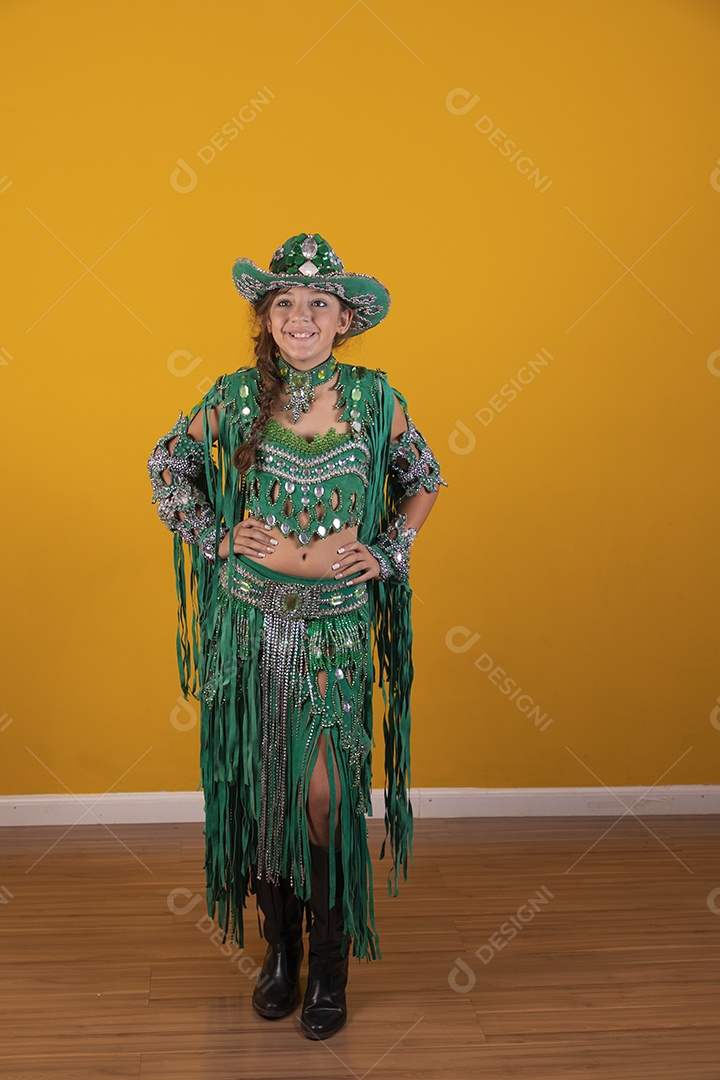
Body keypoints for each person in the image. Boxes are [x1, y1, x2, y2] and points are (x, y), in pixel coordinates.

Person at [147, 233, 446, 1039]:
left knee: (323, 797)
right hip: (251, 623)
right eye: (285, 302)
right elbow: (166, 464)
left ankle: (331, 965)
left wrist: (386, 554)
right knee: (261, 793)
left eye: (319, 304)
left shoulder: (377, 398)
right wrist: (214, 539)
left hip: (336, 633)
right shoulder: (238, 397)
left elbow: (424, 478)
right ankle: (279, 953)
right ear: (266, 316)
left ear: (346, 318)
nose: (302, 316)